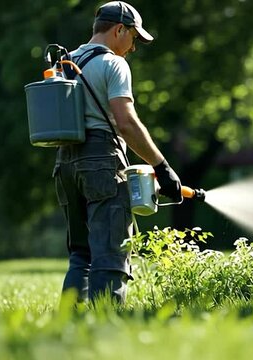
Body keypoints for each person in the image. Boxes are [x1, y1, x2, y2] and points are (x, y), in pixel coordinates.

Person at [53, 1, 182, 305]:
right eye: (133, 37)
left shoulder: (65, 61)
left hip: (64, 164)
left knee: (81, 255)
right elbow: (125, 123)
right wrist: (161, 165)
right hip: (101, 162)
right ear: (119, 29)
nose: (133, 47)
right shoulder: (113, 64)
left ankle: (68, 327)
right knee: (110, 254)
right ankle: (105, 327)